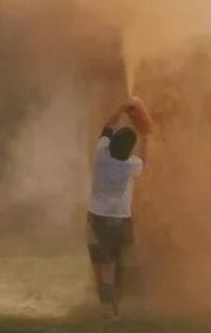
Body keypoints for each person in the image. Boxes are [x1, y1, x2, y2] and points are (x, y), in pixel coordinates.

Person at [88, 96, 153, 320]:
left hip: (96, 219)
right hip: (121, 221)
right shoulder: (130, 165)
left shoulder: (101, 154)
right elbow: (145, 159)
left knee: (100, 265)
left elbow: (108, 125)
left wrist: (123, 108)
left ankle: (106, 306)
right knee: (120, 264)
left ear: (112, 143)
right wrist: (146, 134)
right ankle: (117, 305)